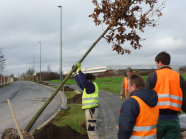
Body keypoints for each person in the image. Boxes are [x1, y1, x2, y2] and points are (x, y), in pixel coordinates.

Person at [146, 51, 186, 139]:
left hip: (157, 120)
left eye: (156, 63)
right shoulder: (179, 77)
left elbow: (146, 99)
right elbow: (185, 101)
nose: (156, 65)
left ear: (160, 62)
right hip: (173, 120)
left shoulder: (152, 76)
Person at [118, 74, 159, 139]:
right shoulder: (154, 101)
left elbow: (125, 127)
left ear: (133, 87)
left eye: (128, 86)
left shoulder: (132, 102)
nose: (127, 88)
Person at [74, 62, 99, 139]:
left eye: (85, 79)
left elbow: (83, 82)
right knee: (90, 131)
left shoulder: (91, 85)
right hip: (90, 111)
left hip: (92, 111)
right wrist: (75, 74)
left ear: (89, 80)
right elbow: (80, 83)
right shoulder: (87, 87)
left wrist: (79, 70)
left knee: (91, 131)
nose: (83, 81)